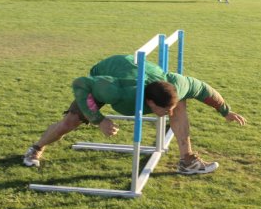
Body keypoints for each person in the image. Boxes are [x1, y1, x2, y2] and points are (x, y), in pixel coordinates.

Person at [23, 54, 247, 174]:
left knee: (181, 105)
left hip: (140, 74)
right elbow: (81, 84)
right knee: (70, 122)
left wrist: (225, 111)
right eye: (163, 110)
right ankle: (36, 148)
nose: (167, 114)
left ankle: (187, 161)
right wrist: (98, 119)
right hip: (105, 75)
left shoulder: (177, 84)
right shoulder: (115, 91)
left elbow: (205, 90)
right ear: (149, 102)